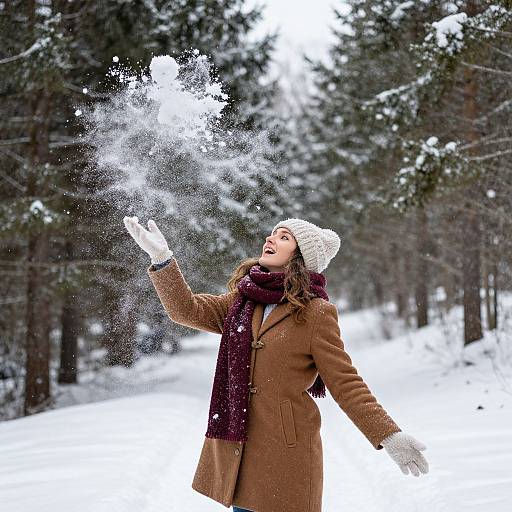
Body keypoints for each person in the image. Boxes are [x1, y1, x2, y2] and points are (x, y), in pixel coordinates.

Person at [124, 215, 429, 512]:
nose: (271, 238)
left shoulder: (316, 313)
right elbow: (186, 310)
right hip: (240, 451)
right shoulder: (241, 302)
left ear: (300, 257)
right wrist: (162, 258)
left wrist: (387, 435)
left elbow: (345, 381)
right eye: (273, 233)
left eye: (284, 237)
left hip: (287, 455)